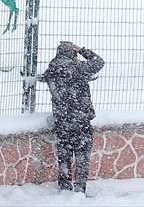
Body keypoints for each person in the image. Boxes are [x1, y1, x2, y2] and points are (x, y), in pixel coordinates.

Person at [38, 41, 104, 193]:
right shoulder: (80, 68)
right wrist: (82, 50)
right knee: (82, 156)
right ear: (72, 53)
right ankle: (80, 187)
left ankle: (65, 186)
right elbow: (99, 62)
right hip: (81, 120)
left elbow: (46, 78)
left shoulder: (52, 70)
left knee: (64, 155)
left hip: (63, 121)